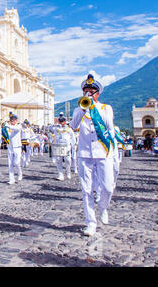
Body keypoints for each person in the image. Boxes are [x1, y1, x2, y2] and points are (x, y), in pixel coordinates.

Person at [70, 73, 115, 237]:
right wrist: (83, 109)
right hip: (84, 154)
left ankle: (103, 207)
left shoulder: (106, 108)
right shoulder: (79, 109)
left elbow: (109, 124)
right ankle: (90, 223)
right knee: (86, 189)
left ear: (98, 93)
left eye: (92, 92)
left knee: (108, 187)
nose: (88, 94)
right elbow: (73, 125)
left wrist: (94, 107)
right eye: (86, 91)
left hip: (103, 152)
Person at [52, 115, 76, 181]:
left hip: (67, 146)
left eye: (62, 121)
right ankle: (60, 174)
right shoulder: (56, 129)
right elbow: (55, 137)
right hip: (58, 145)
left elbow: (73, 138)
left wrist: (73, 146)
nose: (61, 123)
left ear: (65, 122)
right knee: (58, 160)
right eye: (60, 121)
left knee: (67, 160)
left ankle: (68, 172)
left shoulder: (69, 129)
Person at [4, 112, 23, 184]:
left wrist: (8, 126)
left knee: (17, 162)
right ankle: (11, 179)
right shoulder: (8, 127)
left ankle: (20, 173)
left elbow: (15, 129)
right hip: (10, 146)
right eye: (11, 120)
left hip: (17, 147)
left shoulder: (19, 126)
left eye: (13, 120)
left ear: (16, 120)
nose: (12, 121)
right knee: (10, 163)